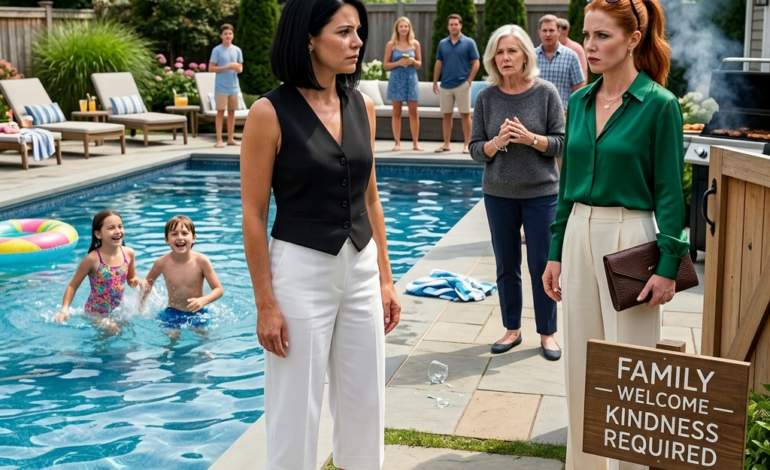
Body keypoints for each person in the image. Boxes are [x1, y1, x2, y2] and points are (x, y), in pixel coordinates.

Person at [240, 0, 401, 467]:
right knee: (294, 408)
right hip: (300, 270)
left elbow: (371, 199)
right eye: (344, 32)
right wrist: (265, 303)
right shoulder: (268, 112)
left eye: (358, 31)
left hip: (362, 266)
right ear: (309, 38)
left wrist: (385, 279)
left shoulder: (363, 106)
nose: (357, 42)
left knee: (366, 401)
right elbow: (253, 214)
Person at [541, 0, 688, 467]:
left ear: (633, 40)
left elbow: (671, 195)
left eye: (602, 36)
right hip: (577, 233)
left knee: (632, 373)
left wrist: (668, 266)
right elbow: (566, 186)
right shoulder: (579, 101)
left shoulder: (660, 105)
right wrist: (555, 252)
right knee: (581, 366)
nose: (589, 45)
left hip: (632, 237)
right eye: (587, 35)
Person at [468, 25, 564, 360]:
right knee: (506, 264)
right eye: (499, 51)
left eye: (512, 51)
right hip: (499, 194)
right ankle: (512, 329)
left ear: (525, 55)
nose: (505, 57)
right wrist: (496, 142)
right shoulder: (486, 97)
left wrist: (530, 139)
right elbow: (475, 149)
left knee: (542, 265)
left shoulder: (546, 93)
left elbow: (561, 142)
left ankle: (548, 333)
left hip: (542, 193)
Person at [53, 210, 141, 333]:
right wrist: (64, 310)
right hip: (95, 314)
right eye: (111, 228)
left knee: (132, 332)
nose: (118, 231)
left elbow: (131, 281)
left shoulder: (128, 253)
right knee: (114, 330)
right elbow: (72, 286)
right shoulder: (92, 259)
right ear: (98, 234)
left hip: (116, 312)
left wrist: (140, 282)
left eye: (120, 226)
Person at [140, 215, 223, 335]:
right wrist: (141, 305)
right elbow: (147, 284)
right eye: (174, 234)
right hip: (172, 312)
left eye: (184, 233)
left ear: (193, 238)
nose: (180, 237)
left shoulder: (202, 261)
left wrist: (203, 300)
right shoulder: (161, 263)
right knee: (173, 336)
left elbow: (218, 289)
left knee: (203, 334)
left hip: (197, 311)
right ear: (167, 240)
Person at [432, 14, 480, 154]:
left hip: (462, 84)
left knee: (465, 115)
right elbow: (439, 62)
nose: (453, 27)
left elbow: (476, 62)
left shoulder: (469, 42)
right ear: (448, 27)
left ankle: (467, 145)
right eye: (451, 24)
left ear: (461, 25)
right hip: (445, 85)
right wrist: (435, 82)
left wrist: (469, 80)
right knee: (446, 115)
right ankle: (446, 144)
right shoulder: (442, 44)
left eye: (456, 24)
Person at [383, 17, 423, 151]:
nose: (404, 29)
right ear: (397, 28)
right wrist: (398, 63)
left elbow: (419, 64)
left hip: (411, 79)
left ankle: (416, 143)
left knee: (414, 113)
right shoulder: (391, 45)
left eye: (406, 26)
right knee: (396, 112)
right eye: (401, 26)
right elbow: (386, 65)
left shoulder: (415, 44)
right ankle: (397, 143)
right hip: (396, 79)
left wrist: (412, 61)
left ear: (409, 28)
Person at [535, 14, 585, 108]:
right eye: (544, 30)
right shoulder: (531, 57)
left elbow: (579, 88)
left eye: (551, 30)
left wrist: (572, 110)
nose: (548, 34)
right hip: (536, 111)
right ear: (539, 32)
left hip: (563, 112)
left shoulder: (571, 56)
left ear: (558, 32)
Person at [208, 23, 243, 148]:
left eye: (230, 33)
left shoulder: (237, 50)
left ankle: (230, 139)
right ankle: (219, 140)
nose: (228, 36)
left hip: (234, 87)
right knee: (220, 112)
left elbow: (241, 68)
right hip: (221, 87)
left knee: (232, 113)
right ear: (221, 36)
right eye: (225, 34)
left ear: (233, 35)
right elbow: (211, 68)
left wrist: (237, 69)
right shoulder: (216, 50)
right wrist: (227, 67)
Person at [556, 18, 588, 85]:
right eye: (559, 27)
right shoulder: (548, 48)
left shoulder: (576, 48)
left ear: (567, 29)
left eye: (564, 28)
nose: (563, 31)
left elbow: (583, 72)